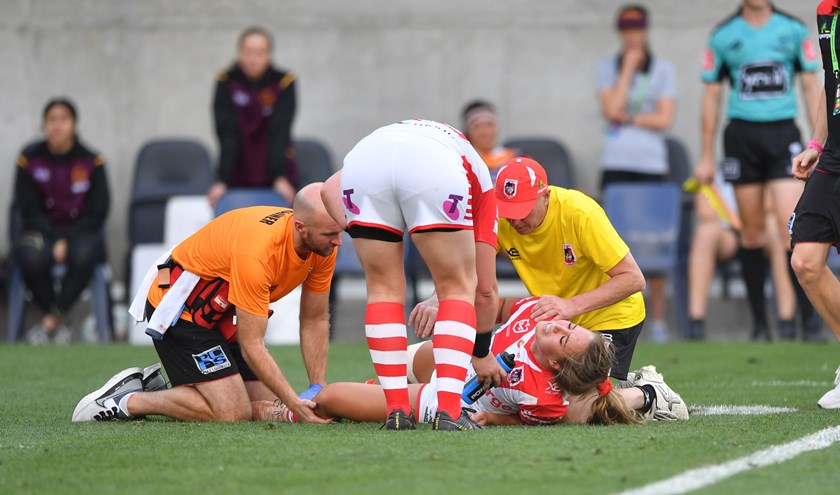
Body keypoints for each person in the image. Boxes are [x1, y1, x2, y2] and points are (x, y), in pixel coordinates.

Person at [71, 183, 341, 423]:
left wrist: (318, 387)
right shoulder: (259, 252)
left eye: (339, 231)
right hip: (180, 309)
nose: (338, 240)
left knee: (269, 404)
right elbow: (252, 346)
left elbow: (314, 319)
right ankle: (126, 400)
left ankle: (179, 390)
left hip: (223, 312)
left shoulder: (322, 244)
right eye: (330, 233)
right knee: (233, 413)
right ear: (300, 227)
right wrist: (294, 402)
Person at [320, 119, 504, 431]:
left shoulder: (399, 138)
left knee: (382, 290)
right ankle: (449, 413)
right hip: (434, 168)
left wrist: (360, 229)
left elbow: (326, 189)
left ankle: (396, 412)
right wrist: (482, 352)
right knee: (457, 288)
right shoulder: (480, 178)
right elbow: (484, 291)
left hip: (365, 160)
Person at [257, 297, 688, 426]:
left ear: (558, 365)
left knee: (332, 397)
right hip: (450, 358)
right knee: (384, 376)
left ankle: (283, 411)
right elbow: (496, 303)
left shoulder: (541, 392)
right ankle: (644, 391)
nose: (561, 326)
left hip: (451, 397)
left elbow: (556, 413)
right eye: (571, 326)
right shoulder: (541, 312)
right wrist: (442, 303)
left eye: (565, 337)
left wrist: (490, 417)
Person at [696, 0, 822, 341]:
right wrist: (706, 154)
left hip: (783, 135)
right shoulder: (723, 35)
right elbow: (711, 95)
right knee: (750, 233)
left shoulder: (792, 30)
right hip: (742, 137)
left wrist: (818, 142)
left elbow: (812, 86)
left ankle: (808, 323)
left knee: (791, 229)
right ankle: (760, 326)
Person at [490, 157, 646, 382]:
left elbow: (633, 279)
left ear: (545, 196)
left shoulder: (580, 213)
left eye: (521, 210)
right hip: (557, 325)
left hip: (610, 315)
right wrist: (440, 298)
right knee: (539, 397)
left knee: (591, 404)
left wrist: (570, 305)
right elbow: (468, 267)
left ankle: (649, 392)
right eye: (507, 210)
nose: (514, 220)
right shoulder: (500, 219)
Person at [597, 5, 677, 343]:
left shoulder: (663, 69)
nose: (632, 35)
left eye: (638, 28)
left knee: (655, 242)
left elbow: (664, 120)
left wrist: (628, 118)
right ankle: (616, 319)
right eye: (626, 29)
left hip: (651, 166)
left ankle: (657, 320)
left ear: (646, 30)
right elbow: (610, 109)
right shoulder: (607, 69)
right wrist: (628, 69)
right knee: (612, 246)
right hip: (616, 163)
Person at [13, 98, 110, 344]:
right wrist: (55, 238)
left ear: (74, 124)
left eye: (63, 119)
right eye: (52, 120)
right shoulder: (29, 159)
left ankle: (50, 320)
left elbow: (98, 210)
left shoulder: (92, 161)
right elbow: (27, 208)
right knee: (31, 255)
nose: (57, 126)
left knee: (85, 254)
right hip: (40, 232)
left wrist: (66, 239)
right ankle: (56, 318)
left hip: (81, 233)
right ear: (45, 124)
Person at [790, 0, 840, 408]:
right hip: (834, 157)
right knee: (805, 260)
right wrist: (816, 143)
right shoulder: (827, 12)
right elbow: (831, 83)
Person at [687, 178, 797, 339]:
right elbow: (705, 212)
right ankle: (696, 322)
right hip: (728, 233)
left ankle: (786, 320)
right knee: (705, 234)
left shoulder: (764, 168)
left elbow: (772, 206)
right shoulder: (714, 173)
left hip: (760, 230)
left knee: (777, 232)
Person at [208, 26, 298, 207]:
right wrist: (223, 180)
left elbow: (280, 132)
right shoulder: (226, 81)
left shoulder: (284, 82)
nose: (253, 59)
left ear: (269, 54)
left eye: (260, 52)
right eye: (248, 52)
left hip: (276, 174)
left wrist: (279, 177)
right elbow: (227, 133)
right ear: (239, 53)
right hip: (237, 174)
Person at [461, 100, 524, 182]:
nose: (484, 131)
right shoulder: (463, 162)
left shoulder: (518, 159)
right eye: (477, 126)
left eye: (489, 124)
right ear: (467, 131)